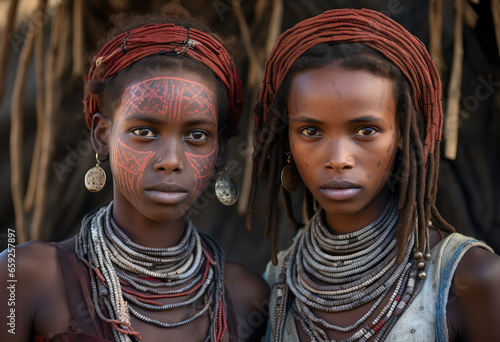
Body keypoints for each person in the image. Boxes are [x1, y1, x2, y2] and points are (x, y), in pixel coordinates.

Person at [0, 5, 269, 342]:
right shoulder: (22, 276)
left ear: (221, 150)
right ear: (102, 136)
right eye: (144, 132)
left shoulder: (246, 297)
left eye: (196, 136)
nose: (171, 160)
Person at [246, 8, 500, 342]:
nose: (338, 159)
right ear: (287, 141)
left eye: (366, 130)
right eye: (310, 130)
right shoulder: (277, 283)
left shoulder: (470, 278)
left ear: (401, 138)